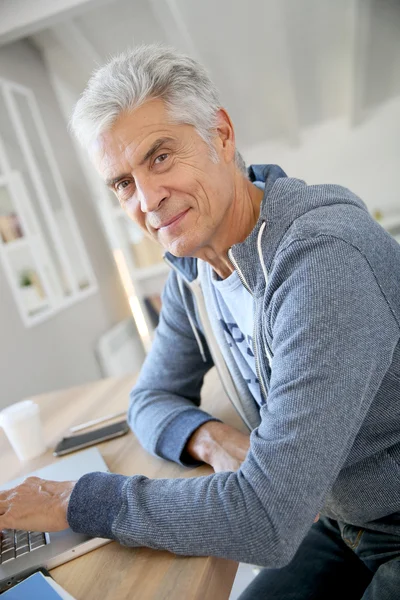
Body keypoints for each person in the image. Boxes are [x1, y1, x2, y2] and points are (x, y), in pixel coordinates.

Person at [1, 44, 400, 599]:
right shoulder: (194, 271)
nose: (148, 199)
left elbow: (265, 515)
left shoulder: (324, 263)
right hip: (339, 518)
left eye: (160, 156)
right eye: (122, 183)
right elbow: (150, 398)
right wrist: (211, 441)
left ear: (222, 134)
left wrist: (75, 501)